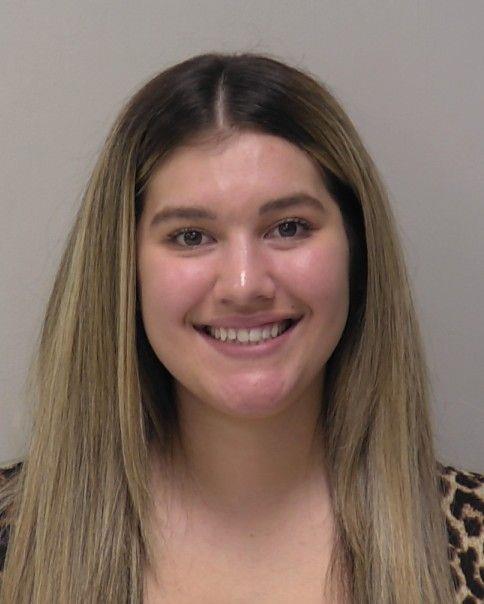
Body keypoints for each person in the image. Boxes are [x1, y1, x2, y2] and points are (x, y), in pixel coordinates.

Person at [0, 52, 482, 604]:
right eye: (191, 236)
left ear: (357, 251)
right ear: (124, 270)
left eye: (289, 227)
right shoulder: (13, 537)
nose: (245, 284)